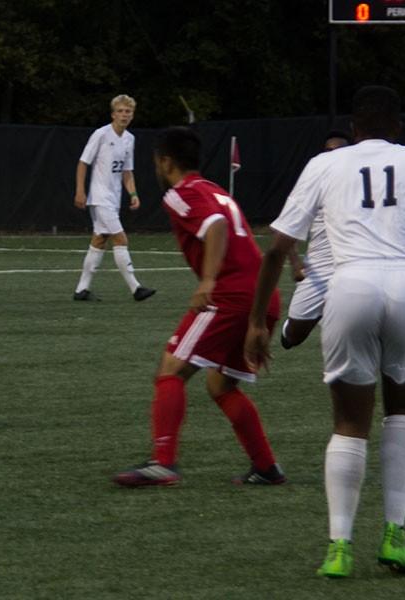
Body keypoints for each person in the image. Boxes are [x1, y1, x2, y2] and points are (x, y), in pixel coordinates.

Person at [245, 86, 405, 578]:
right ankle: (395, 535)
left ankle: (339, 547)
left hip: (349, 285)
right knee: (402, 414)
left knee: (349, 423)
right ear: (397, 129)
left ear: (354, 129)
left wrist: (257, 322)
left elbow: (277, 249)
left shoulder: (325, 163)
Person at [113, 127, 284, 488]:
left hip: (231, 296)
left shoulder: (180, 194)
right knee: (221, 385)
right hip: (263, 297)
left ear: (165, 161)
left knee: (170, 369)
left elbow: (216, 226)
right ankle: (266, 467)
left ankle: (163, 462)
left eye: (156, 162)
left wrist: (208, 281)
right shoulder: (216, 190)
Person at [72, 94, 155, 302]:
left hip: (114, 198)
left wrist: (133, 194)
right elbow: (83, 163)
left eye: (128, 111)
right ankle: (136, 288)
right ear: (113, 114)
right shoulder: (101, 134)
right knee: (121, 238)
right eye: (120, 111)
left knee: (100, 240)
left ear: (132, 115)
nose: (124, 115)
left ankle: (81, 290)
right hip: (100, 197)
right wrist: (80, 191)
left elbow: (127, 172)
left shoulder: (129, 139)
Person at [281, 130, 351, 349]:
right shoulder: (316, 181)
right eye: (329, 151)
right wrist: (295, 264)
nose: (334, 155)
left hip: (356, 266)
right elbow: (287, 227)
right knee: (292, 337)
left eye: (339, 150)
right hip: (319, 269)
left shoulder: (361, 183)